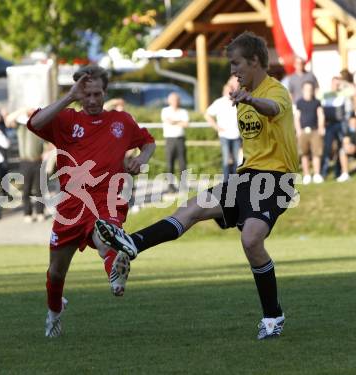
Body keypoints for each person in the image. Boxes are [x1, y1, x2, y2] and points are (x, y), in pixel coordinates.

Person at [95, 31, 298, 340]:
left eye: (236, 64)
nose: (232, 71)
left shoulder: (275, 91)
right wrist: (246, 99)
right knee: (190, 208)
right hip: (246, 177)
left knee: (251, 239)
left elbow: (272, 108)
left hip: (276, 179)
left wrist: (253, 100)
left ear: (255, 61)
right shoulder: (240, 98)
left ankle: (273, 316)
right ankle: (132, 243)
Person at [27, 65, 155, 337]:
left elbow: (148, 142)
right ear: (79, 93)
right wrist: (68, 97)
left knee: (105, 236)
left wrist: (141, 159)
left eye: (98, 94)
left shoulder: (122, 121)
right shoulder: (66, 120)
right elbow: (34, 123)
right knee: (56, 273)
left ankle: (115, 271)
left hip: (107, 199)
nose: (93, 100)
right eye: (87, 94)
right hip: (71, 205)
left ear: (105, 92)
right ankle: (54, 313)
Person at [7, 107, 46, 223]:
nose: (30, 115)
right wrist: (22, 109)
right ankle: (27, 213)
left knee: (39, 189)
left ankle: (40, 212)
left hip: (38, 161)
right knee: (26, 189)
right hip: (25, 161)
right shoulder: (20, 127)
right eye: (29, 114)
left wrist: (46, 153)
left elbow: (49, 144)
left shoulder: (40, 127)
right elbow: (8, 120)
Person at [205, 77, 242, 181]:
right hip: (224, 135)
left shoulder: (237, 101)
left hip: (236, 135)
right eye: (227, 90)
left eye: (231, 90)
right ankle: (226, 182)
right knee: (226, 160)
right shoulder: (219, 102)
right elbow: (207, 115)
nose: (229, 92)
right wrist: (216, 127)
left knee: (236, 160)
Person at [294, 81, 326, 184]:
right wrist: (298, 130)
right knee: (304, 154)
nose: (309, 91)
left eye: (311, 89)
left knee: (316, 153)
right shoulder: (299, 102)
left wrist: (321, 127)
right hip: (303, 131)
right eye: (307, 89)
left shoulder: (317, 102)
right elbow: (297, 117)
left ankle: (317, 174)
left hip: (315, 131)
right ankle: (307, 175)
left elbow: (320, 115)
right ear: (303, 90)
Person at [320, 77, 350, 179]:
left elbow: (353, 90)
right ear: (331, 84)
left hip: (340, 124)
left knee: (340, 148)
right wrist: (322, 125)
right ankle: (323, 173)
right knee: (327, 148)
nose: (336, 86)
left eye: (338, 84)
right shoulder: (326, 95)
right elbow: (322, 111)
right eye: (334, 84)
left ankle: (338, 171)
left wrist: (343, 82)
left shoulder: (343, 93)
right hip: (329, 125)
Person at [161, 92, 189, 192]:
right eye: (173, 100)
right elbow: (168, 121)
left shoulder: (183, 111)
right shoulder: (165, 110)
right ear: (169, 101)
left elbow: (186, 124)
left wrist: (175, 121)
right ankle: (170, 186)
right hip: (170, 139)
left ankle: (183, 185)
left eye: (176, 100)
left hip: (180, 139)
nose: (175, 102)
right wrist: (179, 121)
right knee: (170, 163)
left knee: (182, 163)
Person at [337, 115, 356, 182]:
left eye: (354, 122)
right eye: (351, 122)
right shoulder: (348, 132)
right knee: (342, 151)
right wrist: (348, 146)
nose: (353, 123)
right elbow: (345, 142)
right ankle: (345, 174)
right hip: (351, 149)